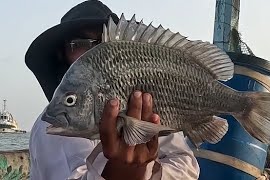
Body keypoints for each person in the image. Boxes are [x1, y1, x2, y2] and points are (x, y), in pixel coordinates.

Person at [25, 0, 200, 179]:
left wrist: (150, 168)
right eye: (80, 43)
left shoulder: (146, 106)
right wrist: (124, 172)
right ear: (62, 53)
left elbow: (187, 167)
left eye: (105, 42)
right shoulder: (54, 123)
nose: (96, 51)